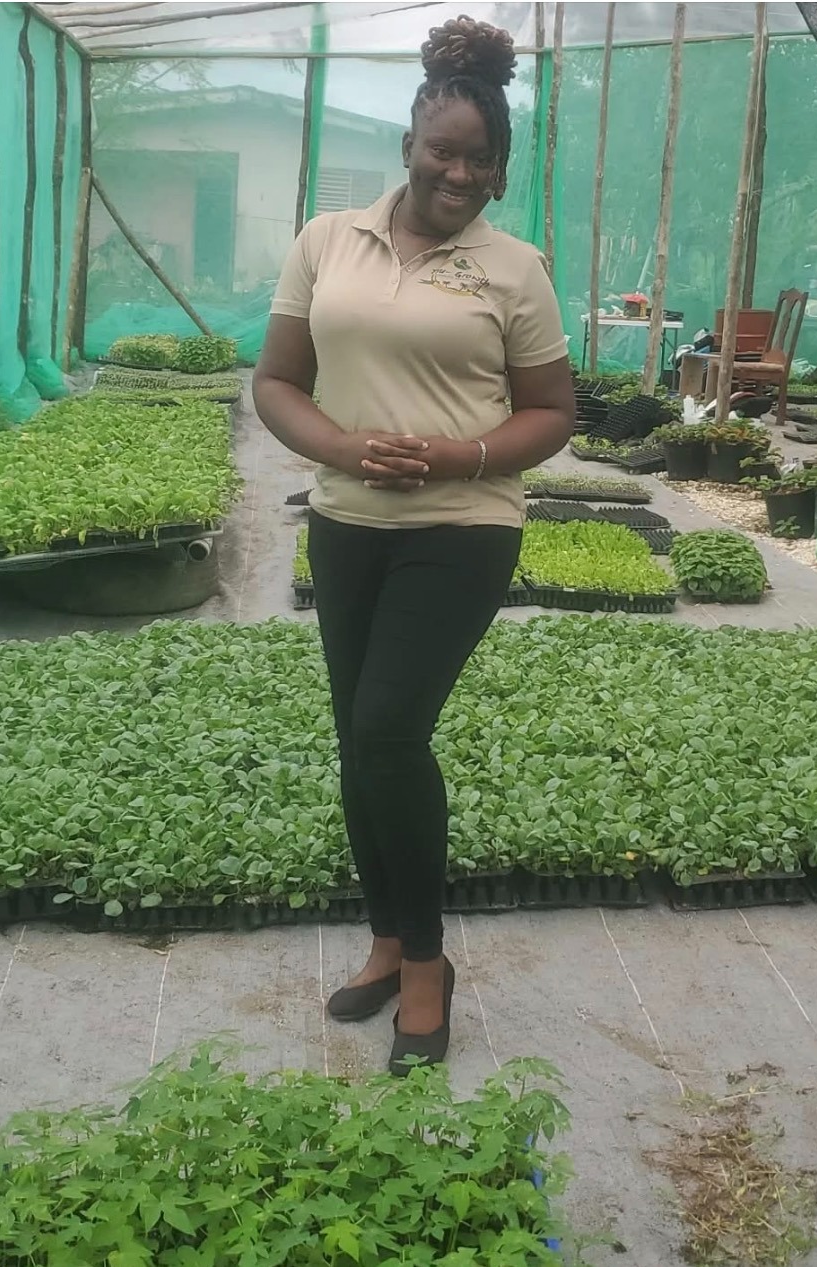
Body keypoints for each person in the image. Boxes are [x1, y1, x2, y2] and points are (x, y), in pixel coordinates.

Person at [253, 16, 574, 1076]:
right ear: (410, 145)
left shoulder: (513, 268)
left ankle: (428, 964)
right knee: (359, 740)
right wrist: (344, 447)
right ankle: (387, 939)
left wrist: (457, 456)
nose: (461, 174)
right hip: (347, 522)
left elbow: (552, 413)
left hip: (462, 527)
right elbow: (276, 382)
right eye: (445, 151)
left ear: (500, 170)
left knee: (390, 727)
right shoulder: (325, 240)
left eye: (484, 161)